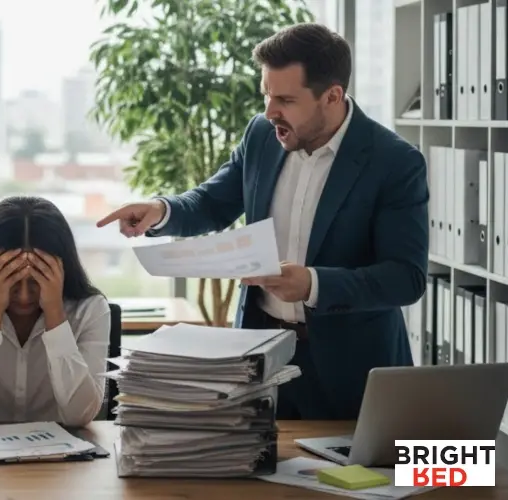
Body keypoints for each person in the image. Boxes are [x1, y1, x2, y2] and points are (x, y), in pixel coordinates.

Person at [97, 23, 428, 420]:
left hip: (353, 369)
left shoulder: (394, 162)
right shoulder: (262, 134)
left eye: (285, 99)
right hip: (262, 358)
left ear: (332, 96)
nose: (270, 111)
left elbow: (405, 278)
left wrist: (313, 283)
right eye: (267, 95)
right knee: (255, 477)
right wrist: (161, 211)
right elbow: (212, 201)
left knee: (363, 480)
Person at [0, 196, 111, 427]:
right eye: (12, 281)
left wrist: (55, 314)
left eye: (38, 281)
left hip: (62, 460)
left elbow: (80, 416)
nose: (25, 296)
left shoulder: (90, 310)